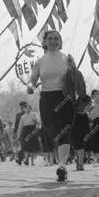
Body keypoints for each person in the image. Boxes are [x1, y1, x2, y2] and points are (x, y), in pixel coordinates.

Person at [28, 29, 85, 182]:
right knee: (49, 128)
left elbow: (77, 80)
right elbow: (33, 79)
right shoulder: (40, 61)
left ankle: (62, 166)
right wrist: (30, 86)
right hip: (47, 99)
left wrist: (73, 68)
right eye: (50, 38)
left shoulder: (67, 58)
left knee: (64, 131)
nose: (53, 41)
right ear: (45, 42)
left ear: (60, 42)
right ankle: (61, 159)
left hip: (64, 98)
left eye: (56, 38)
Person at [70, 94, 92, 170]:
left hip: (83, 131)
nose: (89, 106)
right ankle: (79, 162)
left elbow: (87, 126)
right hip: (75, 131)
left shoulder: (85, 115)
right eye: (88, 104)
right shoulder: (74, 113)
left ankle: (81, 163)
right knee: (77, 147)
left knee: (81, 146)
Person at [13, 101, 28, 165]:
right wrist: (15, 133)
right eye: (21, 106)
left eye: (24, 106)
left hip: (27, 131)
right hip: (20, 132)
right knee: (20, 145)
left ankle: (26, 159)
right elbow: (16, 124)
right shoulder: (18, 115)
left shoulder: (28, 113)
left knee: (27, 145)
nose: (22, 107)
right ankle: (20, 159)